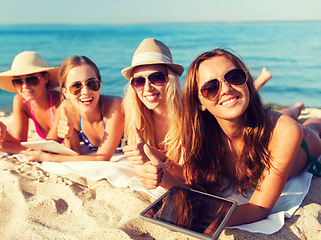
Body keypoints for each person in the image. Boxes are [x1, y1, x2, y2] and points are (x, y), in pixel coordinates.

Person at [138, 48, 321, 226]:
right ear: (200, 102)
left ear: (247, 81)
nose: (225, 88)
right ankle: (297, 107)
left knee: (311, 125)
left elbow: (258, 209)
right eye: (210, 87)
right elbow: (196, 186)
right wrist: (164, 178)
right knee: (281, 115)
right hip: (264, 124)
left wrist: (204, 218)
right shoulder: (201, 135)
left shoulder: (285, 131)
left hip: (305, 144)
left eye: (234, 77)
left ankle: (301, 111)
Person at [22, 56, 124, 162]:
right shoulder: (68, 109)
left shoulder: (115, 106)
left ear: (99, 84)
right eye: (76, 86)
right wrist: (69, 136)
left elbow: (103, 158)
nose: (85, 91)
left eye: (92, 83)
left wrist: (47, 157)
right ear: (65, 92)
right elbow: (75, 154)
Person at [0, 51, 61, 155]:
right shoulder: (20, 101)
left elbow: (49, 149)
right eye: (18, 81)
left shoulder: (60, 102)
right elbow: (20, 143)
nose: (25, 86)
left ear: (45, 78)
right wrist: (4, 135)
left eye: (31, 79)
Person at [121, 38, 185, 177]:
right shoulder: (137, 117)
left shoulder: (189, 116)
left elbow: (194, 176)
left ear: (171, 80)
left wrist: (156, 158)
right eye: (139, 81)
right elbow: (140, 167)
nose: (147, 88)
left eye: (157, 78)